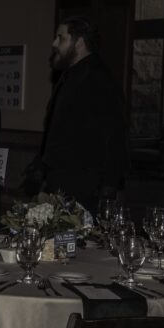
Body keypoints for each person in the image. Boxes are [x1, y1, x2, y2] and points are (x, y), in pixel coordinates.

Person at [25, 15, 128, 212]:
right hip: (63, 182)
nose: (54, 43)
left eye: (61, 38)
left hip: (85, 185)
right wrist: (41, 165)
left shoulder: (98, 77)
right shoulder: (70, 76)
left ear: (79, 42)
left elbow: (114, 132)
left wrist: (109, 185)